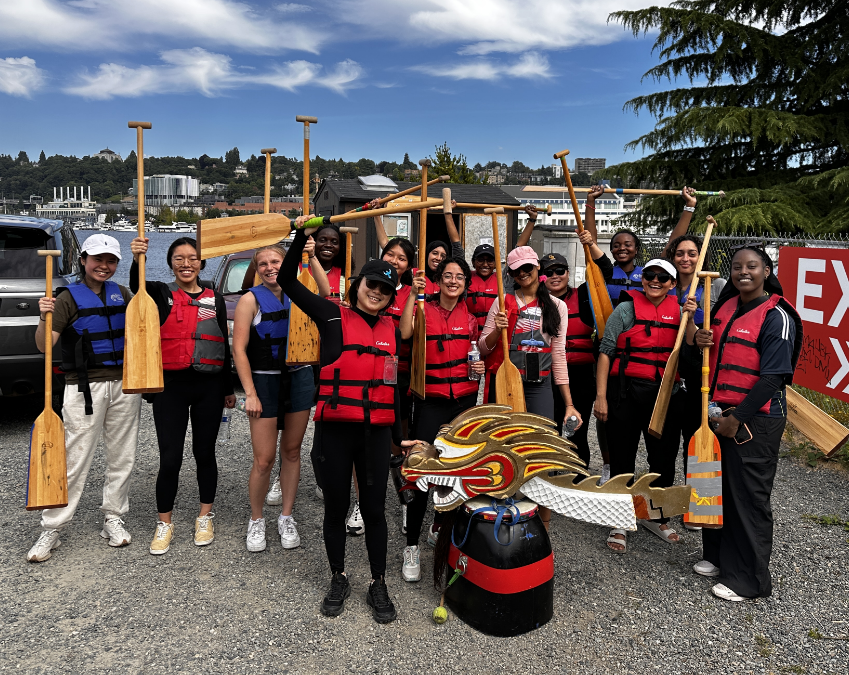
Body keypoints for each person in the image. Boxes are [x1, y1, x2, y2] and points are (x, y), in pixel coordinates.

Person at [280, 220, 404, 624]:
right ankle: (338, 576)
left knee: (374, 511)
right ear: (358, 285)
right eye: (372, 285)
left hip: (375, 432)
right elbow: (286, 279)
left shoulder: (390, 331)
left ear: (389, 298)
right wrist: (301, 237)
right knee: (335, 509)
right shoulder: (331, 314)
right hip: (335, 431)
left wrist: (400, 439)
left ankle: (378, 582)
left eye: (385, 290)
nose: (377, 292)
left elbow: (393, 389)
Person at [686, 244, 802, 601]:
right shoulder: (725, 305)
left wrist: (738, 418)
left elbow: (773, 378)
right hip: (719, 412)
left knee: (747, 498)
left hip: (754, 419)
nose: (743, 272)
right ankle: (718, 557)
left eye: (752, 266)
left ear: (766, 271)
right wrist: (699, 338)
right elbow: (709, 351)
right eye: (737, 267)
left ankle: (749, 580)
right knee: (714, 487)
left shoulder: (777, 315)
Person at [27, 234, 141, 562]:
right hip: (83, 389)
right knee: (76, 457)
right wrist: (43, 315)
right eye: (97, 259)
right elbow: (43, 346)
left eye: (111, 261)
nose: (104, 266)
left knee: (123, 456)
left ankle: (113, 517)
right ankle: (53, 526)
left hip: (123, 385)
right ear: (83, 261)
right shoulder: (65, 298)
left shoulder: (123, 294)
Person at [129, 236, 235, 555]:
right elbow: (137, 286)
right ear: (170, 263)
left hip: (209, 386)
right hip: (170, 387)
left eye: (192, 258)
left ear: (202, 263)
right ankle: (165, 523)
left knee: (205, 453)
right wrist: (137, 258)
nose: (186, 263)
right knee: (170, 457)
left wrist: (228, 388)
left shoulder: (214, 298)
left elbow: (224, 346)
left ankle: (205, 516)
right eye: (179, 258)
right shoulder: (161, 294)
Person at [593, 258, 698, 554]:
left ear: (672, 283)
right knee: (622, 457)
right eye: (649, 275)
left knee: (663, 459)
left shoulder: (680, 311)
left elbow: (690, 350)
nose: (655, 280)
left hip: (666, 394)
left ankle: (656, 515)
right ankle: (620, 520)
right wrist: (601, 396)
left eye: (662, 277)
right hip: (625, 392)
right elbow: (605, 352)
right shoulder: (625, 310)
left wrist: (689, 319)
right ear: (643, 279)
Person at [479, 246, 582, 530]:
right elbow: (483, 348)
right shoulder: (502, 301)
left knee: (540, 448)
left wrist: (569, 403)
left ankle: (542, 518)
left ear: (538, 268)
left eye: (528, 268)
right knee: (502, 443)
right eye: (517, 271)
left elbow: (558, 354)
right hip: (506, 380)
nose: (524, 274)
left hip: (540, 383)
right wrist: (494, 329)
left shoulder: (557, 306)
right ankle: (501, 502)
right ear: (511, 274)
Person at [399, 256, 486, 582]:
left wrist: (478, 368)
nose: (452, 281)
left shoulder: (471, 318)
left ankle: (440, 527)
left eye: (459, 277)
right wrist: (412, 294)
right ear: (439, 280)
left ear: (466, 283)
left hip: (462, 402)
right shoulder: (424, 308)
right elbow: (405, 332)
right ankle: (411, 545)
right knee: (423, 472)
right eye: (447, 276)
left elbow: (474, 355)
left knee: (453, 473)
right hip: (430, 403)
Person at [233, 242, 320, 553]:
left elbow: (326, 294)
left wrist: (308, 253)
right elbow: (239, 351)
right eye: (263, 264)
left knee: (292, 451)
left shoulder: (301, 292)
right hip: (265, 382)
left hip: (299, 377)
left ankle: (286, 515)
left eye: (276, 262)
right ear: (257, 270)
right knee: (264, 459)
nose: (270, 268)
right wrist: (250, 394)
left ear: (289, 263)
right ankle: (256, 519)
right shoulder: (249, 300)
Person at [664, 233, 727, 527]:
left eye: (691, 253)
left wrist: (694, 322)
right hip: (667, 374)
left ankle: (699, 505)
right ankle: (663, 505)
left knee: (696, 440)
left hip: (697, 374)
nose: (685, 259)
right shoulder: (663, 283)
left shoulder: (714, 286)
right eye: (680, 253)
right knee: (665, 447)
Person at [540, 232, 612, 476]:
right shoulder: (536, 302)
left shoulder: (583, 295)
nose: (555, 276)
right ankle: (547, 473)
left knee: (576, 426)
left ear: (568, 273)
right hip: (547, 373)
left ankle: (578, 474)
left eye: (560, 270)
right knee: (549, 424)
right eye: (548, 272)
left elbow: (605, 272)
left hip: (580, 374)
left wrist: (591, 244)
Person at [583, 185, 699, 307]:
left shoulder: (649, 273)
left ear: (636, 250)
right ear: (611, 250)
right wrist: (591, 200)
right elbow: (591, 242)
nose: (622, 248)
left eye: (628, 245)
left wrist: (690, 206)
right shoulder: (602, 272)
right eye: (617, 245)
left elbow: (673, 243)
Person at [374, 233, 418, 535]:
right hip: (366, 371)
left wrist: (415, 293)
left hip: (398, 372)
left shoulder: (409, 293)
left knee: (398, 440)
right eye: (390, 254)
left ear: (408, 265)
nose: (394, 260)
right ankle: (363, 504)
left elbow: (405, 334)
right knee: (365, 439)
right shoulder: (369, 284)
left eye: (402, 258)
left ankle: (404, 499)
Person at [466, 204, 540, 327]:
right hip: (472, 335)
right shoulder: (465, 279)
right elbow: (456, 247)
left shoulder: (504, 279)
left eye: (490, 260)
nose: (485, 264)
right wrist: (448, 213)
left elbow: (519, 248)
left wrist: (532, 219)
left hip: (497, 332)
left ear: (496, 264)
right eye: (480, 260)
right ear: (473, 262)